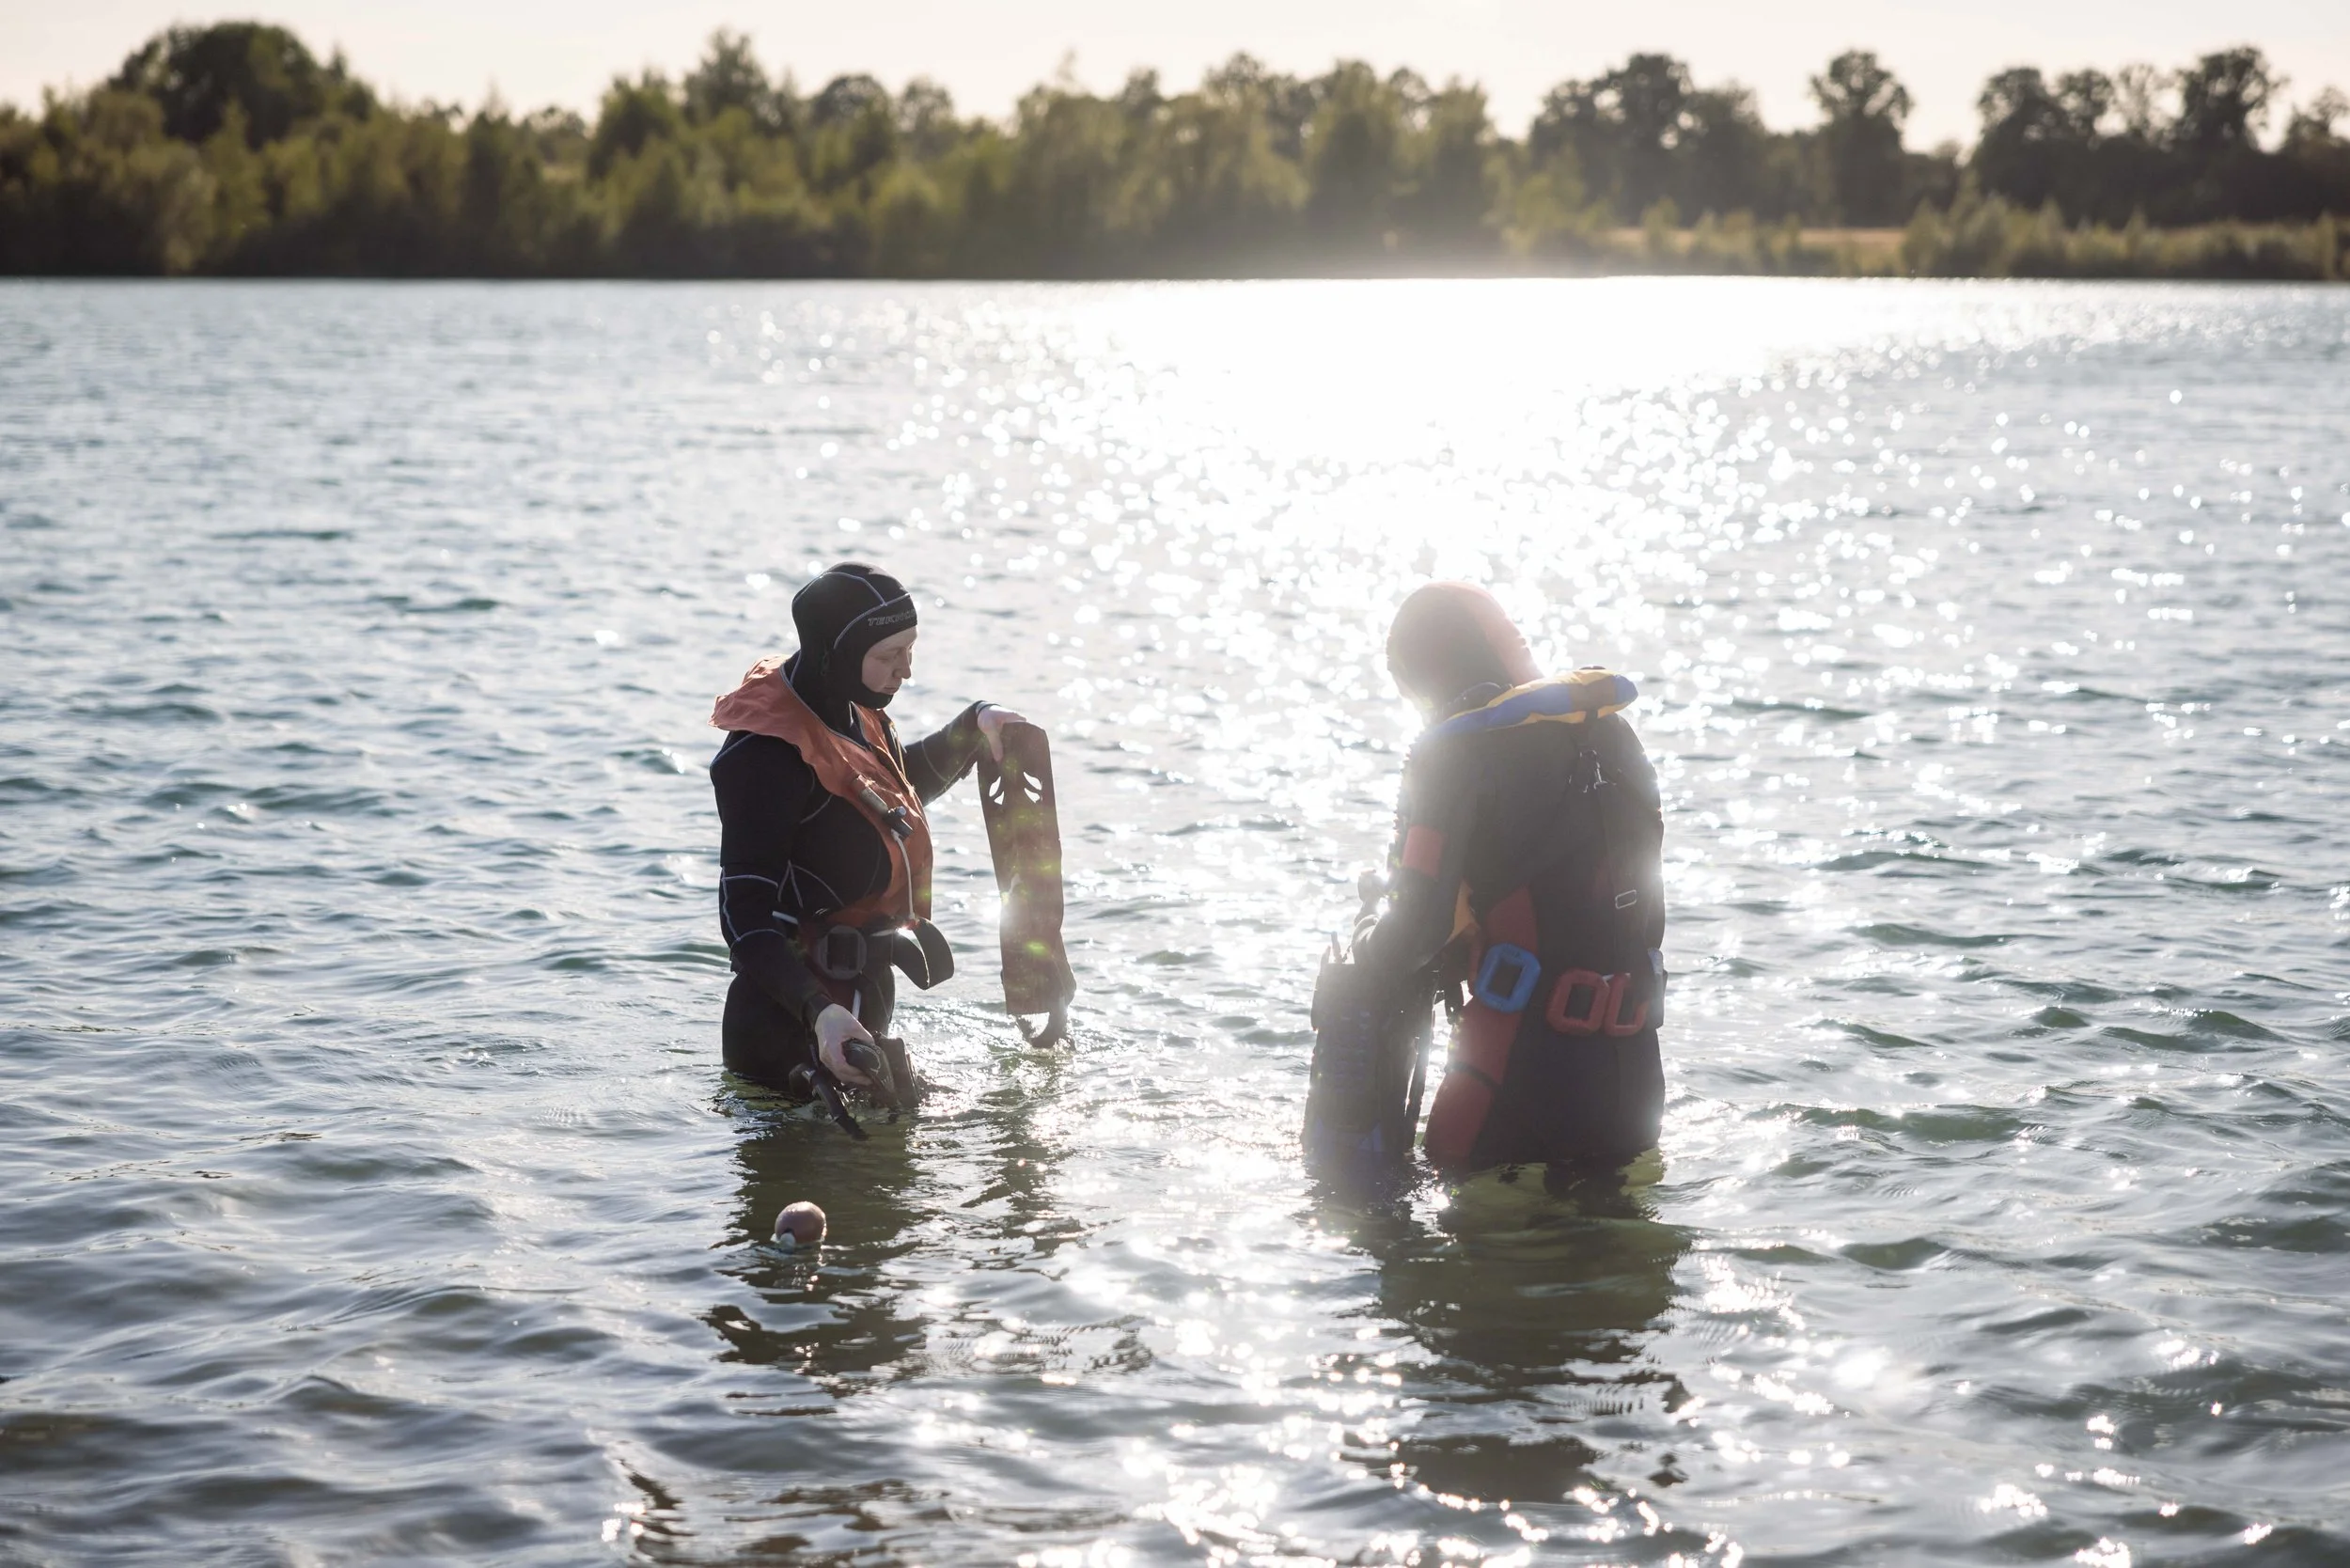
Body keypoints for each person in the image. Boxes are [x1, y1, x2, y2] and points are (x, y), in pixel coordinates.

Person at [1344, 582, 1667, 1172]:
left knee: (1464, 1246)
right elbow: (1648, 920)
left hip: (1511, 1081)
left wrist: (1365, 943)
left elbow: (1415, 934)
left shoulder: (1454, 754)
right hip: (1634, 1087)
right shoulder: (1613, 734)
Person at [710, 563, 1026, 1095]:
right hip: (785, 1035)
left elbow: (893, 796)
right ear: (834, 652)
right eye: (887, 655)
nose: (905, 670)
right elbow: (743, 919)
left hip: (859, 1012)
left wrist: (975, 727)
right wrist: (820, 1012)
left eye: (910, 649)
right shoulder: (765, 756)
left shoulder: (855, 711)